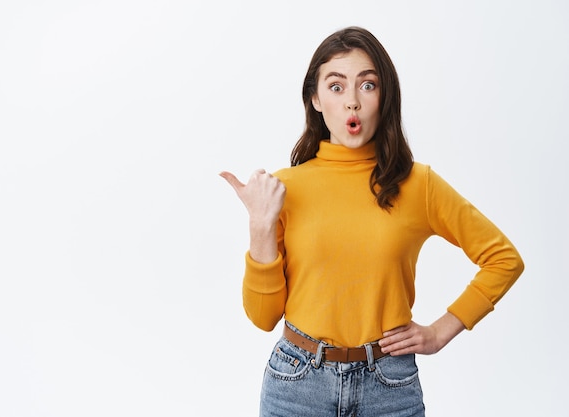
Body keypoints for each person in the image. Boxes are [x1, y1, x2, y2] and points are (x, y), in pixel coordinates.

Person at [219, 26, 524, 417]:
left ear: (384, 97)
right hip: (297, 385)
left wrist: (441, 330)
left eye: (367, 86)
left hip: (389, 386)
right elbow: (263, 319)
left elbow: (503, 259)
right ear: (314, 98)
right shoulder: (284, 188)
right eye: (336, 86)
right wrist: (260, 225)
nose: (352, 103)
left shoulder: (418, 184)